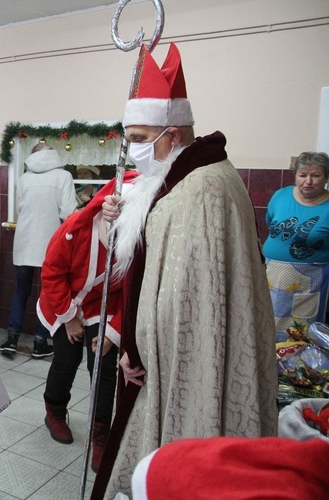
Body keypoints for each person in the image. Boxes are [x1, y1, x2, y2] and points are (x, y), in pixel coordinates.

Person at [96, 43, 277, 498]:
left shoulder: (198, 193)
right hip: (146, 358)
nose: (131, 150)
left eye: (138, 138)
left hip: (166, 368)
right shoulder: (184, 176)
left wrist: (138, 355)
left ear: (172, 135)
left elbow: (183, 302)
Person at [37, 171, 137, 472]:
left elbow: (132, 293)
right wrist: (68, 317)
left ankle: (101, 434)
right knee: (66, 359)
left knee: (104, 367)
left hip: (104, 306)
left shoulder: (139, 243)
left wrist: (113, 332)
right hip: (63, 300)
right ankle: (54, 410)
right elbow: (52, 272)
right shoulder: (74, 229)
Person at [0, 143, 77, 358]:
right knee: (48, 293)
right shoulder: (63, 177)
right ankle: (40, 341)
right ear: (53, 155)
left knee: (21, 290)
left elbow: (20, 209)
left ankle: (11, 339)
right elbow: (69, 213)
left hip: (24, 241)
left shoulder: (24, 179)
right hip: (51, 243)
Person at [264, 151, 329, 340]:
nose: (308, 181)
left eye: (315, 175)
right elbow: (271, 224)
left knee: (300, 330)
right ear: (295, 176)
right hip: (272, 274)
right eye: (302, 175)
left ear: (326, 178)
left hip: (311, 281)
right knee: (268, 321)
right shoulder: (280, 196)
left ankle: (297, 368)